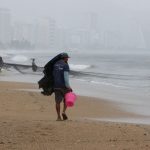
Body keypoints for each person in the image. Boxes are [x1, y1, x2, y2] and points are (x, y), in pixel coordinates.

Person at [53, 53, 72, 121]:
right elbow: (66, 77)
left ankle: (58, 117)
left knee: (57, 102)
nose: (67, 59)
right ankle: (63, 112)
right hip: (63, 86)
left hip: (56, 86)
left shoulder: (55, 64)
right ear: (64, 58)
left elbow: (54, 75)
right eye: (67, 58)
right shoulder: (65, 65)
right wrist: (68, 87)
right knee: (66, 99)